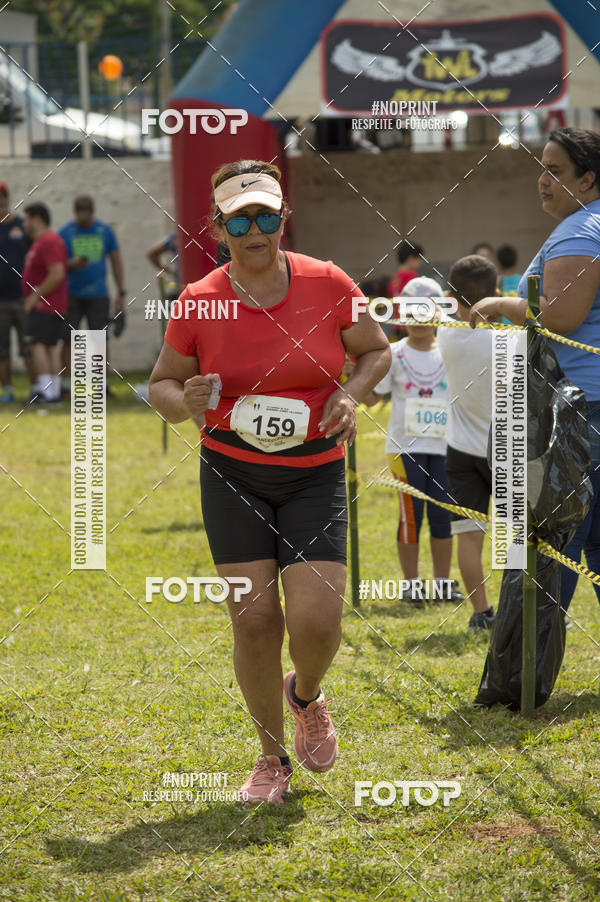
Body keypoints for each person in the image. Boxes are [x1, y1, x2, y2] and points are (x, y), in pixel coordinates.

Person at [148, 159, 391, 805]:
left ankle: (305, 694)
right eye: (240, 219)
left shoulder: (328, 282)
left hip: (314, 474)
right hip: (232, 473)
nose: (256, 229)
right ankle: (270, 757)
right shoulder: (198, 300)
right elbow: (161, 385)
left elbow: (376, 349)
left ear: (283, 218)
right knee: (254, 622)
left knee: (317, 620)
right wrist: (188, 399)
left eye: (266, 216)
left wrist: (352, 393)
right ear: (218, 226)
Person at [469, 128, 600, 615]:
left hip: (578, 415)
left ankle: (524, 682)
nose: (542, 181)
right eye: (541, 168)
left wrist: (502, 302)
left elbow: (562, 317)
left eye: (555, 171)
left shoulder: (580, 232)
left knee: (552, 546)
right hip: (587, 408)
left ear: (587, 179)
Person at [363, 276, 463, 604]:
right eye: (411, 313)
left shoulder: (451, 351)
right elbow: (374, 397)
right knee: (410, 516)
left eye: (426, 313)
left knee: (442, 517)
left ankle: (443, 584)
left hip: (445, 448)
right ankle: (411, 586)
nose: (419, 321)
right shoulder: (391, 353)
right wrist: (357, 373)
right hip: (404, 449)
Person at [438, 255, 498, 633]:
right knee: (513, 537)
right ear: (496, 295)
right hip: (504, 446)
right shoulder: (511, 341)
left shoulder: (444, 333)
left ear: (450, 295)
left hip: (459, 450)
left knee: (468, 538)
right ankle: (514, 614)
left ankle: (481, 612)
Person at [59, 195, 125, 395]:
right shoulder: (65, 232)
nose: (83, 217)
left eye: (87, 212)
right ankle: (65, 384)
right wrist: (71, 264)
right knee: (69, 338)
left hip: (98, 294)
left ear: (93, 211)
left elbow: (116, 261)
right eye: (80, 212)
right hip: (72, 294)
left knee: (99, 339)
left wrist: (121, 291)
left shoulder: (104, 231)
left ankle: (101, 385)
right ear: (75, 212)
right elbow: (56, 265)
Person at [21, 203, 67, 403]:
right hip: (47, 305)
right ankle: (52, 392)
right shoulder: (40, 242)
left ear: (37, 219)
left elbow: (57, 274)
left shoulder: (49, 241)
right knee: (47, 346)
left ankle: (49, 394)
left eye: (27, 219)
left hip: (46, 305)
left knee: (38, 344)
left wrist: (34, 296)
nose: (24, 224)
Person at [0, 182, 34, 403]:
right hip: (0, 301)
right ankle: (8, 390)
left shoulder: (23, 227)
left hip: (24, 299)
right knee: (2, 349)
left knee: (28, 345)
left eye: (2, 197)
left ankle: (37, 388)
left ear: (8, 199)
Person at [147, 232, 181, 300]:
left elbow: (152, 254)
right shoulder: (176, 238)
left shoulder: (176, 237)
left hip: (181, 286)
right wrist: (170, 271)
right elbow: (152, 254)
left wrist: (170, 272)